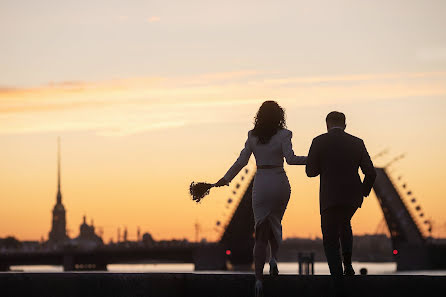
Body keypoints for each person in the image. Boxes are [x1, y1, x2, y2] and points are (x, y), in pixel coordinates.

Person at [215, 101, 306, 297]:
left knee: (261, 230)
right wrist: (312, 159)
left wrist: (225, 179)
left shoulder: (252, 136)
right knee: (276, 222)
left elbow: (241, 161)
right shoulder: (284, 134)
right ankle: (273, 259)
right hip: (280, 182)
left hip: (262, 183)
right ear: (279, 116)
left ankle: (258, 279)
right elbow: (291, 159)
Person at [306, 111, 376, 296]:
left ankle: (338, 282)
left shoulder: (319, 141)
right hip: (352, 197)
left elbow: (310, 172)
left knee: (329, 238)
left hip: (330, 197)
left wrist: (324, 164)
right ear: (345, 125)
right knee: (345, 223)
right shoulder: (357, 142)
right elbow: (371, 173)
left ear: (327, 124)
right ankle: (349, 266)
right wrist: (363, 192)